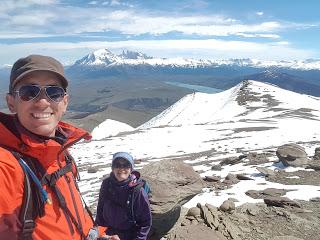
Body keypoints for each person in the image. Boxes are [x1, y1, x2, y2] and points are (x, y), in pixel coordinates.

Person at [0, 54, 104, 239]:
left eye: (54, 92)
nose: (42, 102)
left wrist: (96, 234)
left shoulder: (60, 152)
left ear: (64, 102)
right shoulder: (7, 166)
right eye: (29, 92)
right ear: (11, 103)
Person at [95, 152, 152, 240]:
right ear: (112, 168)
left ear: (131, 169)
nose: (121, 169)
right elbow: (100, 213)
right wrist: (101, 234)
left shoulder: (137, 191)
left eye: (126, 165)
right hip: (108, 234)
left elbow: (145, 223)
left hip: (130, 236)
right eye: (117, 165)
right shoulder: (106, 185)